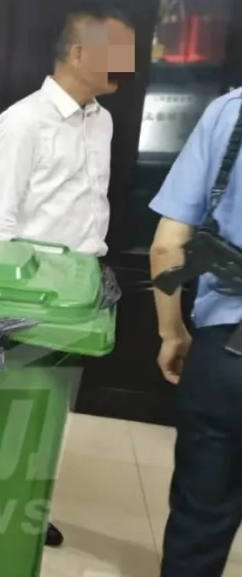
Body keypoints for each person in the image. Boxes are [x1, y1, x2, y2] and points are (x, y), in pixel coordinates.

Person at [0, 7, 136, 548]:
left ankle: (30, 507)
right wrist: (8, 307)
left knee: (55, 408)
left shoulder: (102, 121)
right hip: (32, 293)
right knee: (16, 407)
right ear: (78, 53)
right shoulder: (22, 122)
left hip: (82, 286)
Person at [150, 87, 242, 577]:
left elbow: (168, 247)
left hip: (226, 351)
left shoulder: (231, 111)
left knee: (200, 518)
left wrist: (173, 333)